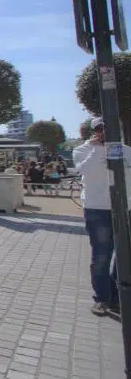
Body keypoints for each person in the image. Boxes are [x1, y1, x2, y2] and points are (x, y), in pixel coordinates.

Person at [74, 117, 124, 315]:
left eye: (109, 127)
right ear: (93, 131)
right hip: (97, 209)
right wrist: (97, 149)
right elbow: (84, 170)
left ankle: (115, 294)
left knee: (124, 256)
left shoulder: (125, 149)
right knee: (102, 255)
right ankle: (102, 298)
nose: (104, 132)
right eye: (99, 128)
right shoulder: (83, 150)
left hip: (123, 207)